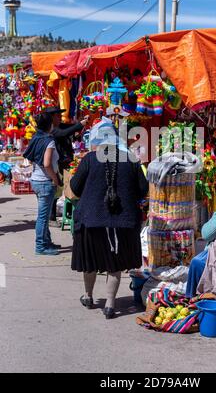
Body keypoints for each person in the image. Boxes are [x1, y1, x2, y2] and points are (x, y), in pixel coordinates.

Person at [70, 118, 149, 319]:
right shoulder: (131, 159)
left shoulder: (89, 159)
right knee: (114, 264)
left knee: (90, 261)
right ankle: (110, 305)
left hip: (91, 221)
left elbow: (75, 187)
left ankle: (88, 296)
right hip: (122, 223)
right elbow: (143, 190)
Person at [43, 106, 89, 225]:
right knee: (58, 188)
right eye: (57, 115)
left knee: (64, 188)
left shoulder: (60, 126)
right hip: (59, 162)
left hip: (65, 160)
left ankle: (62, 214)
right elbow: (64, 133)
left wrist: (81, 123)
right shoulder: (52, 129)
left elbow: (69, 129)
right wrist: (79, 125)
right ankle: (51, 216)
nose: (59, 117)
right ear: (51, 118)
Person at [24, 113, 62, 255]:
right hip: (45, 182)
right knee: (43, 217)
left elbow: (33, 158)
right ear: (49, 125)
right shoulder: (48, 141)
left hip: (36, 180)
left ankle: (47, 242)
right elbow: (47, 164)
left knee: (43, 215)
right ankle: (40, 246)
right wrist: (55, 179)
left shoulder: (36, 138)